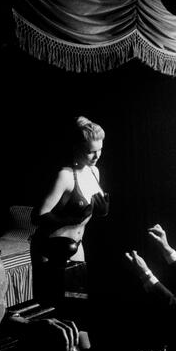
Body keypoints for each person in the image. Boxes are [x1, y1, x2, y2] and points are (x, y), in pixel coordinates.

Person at [32, 116, 109, 306]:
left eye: (99, 150)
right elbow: (37, 216)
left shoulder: (94, 172)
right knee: (53, 308)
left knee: (77, 304)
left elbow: (88, 211)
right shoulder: (65, 176)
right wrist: (70, 219)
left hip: (75, 246)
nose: (97, 156)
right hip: (50, 248)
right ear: (76, 148)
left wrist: (102, 211)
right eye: (90, 152)